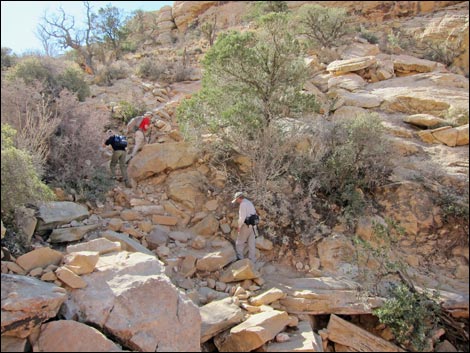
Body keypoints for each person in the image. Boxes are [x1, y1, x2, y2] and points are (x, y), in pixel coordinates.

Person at [232, 191, 258, 263]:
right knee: (251, 244)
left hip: (246, 226)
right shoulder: (249, 203)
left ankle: (240, 260)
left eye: (236, 200)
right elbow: (255, 214)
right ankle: (252, 261)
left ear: (239, 198)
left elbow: (242, 217)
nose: (237, 201)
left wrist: (239, 227)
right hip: (253, 226)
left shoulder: (243, 204)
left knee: (239, 242)